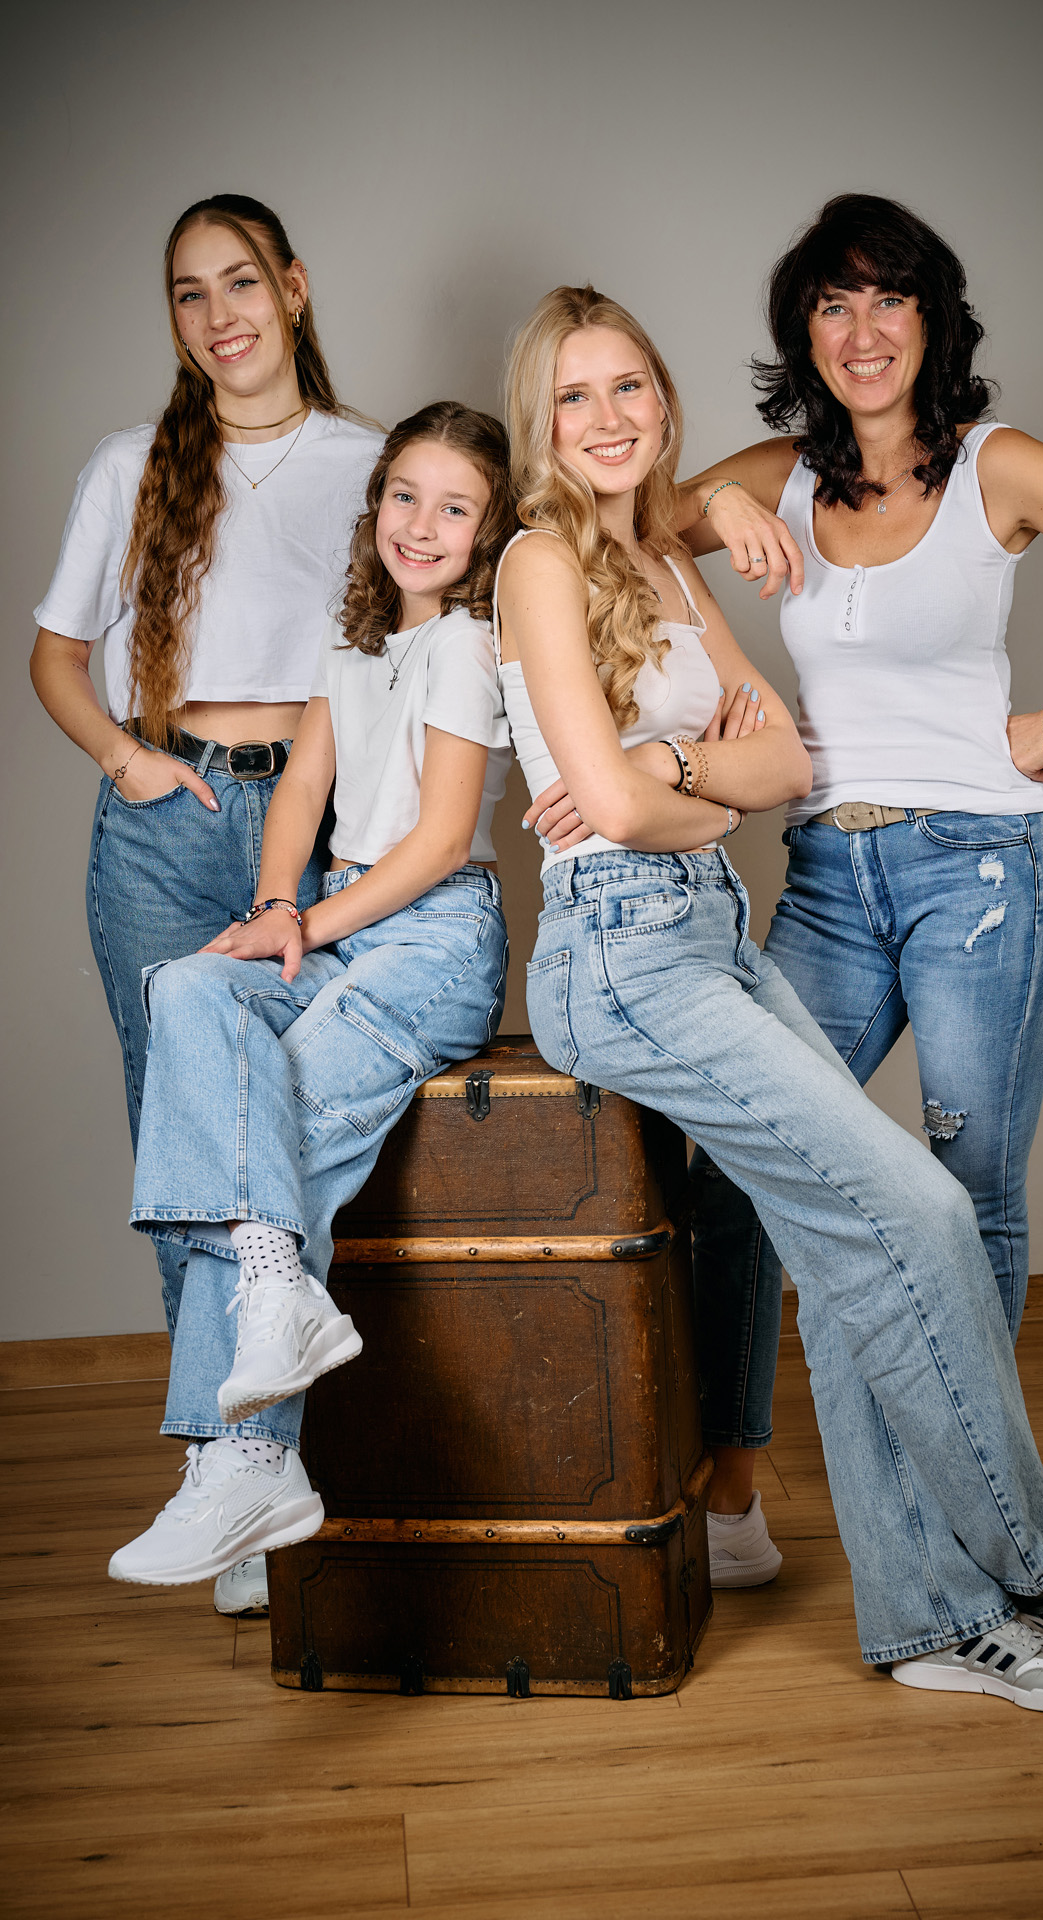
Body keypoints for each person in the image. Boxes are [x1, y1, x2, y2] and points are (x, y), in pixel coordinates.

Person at [493, 283, 1043, 1714]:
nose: (607, 417)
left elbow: (786, 764)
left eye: (629, 387)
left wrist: (671, 775)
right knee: (917, 1213)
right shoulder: (538, 560)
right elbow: (611, 808)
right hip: (619, 960)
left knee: (859, 1255)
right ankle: (1026, 1574)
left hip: (710, 932)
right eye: (574, 396)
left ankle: (924, 1618)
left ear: (665, 401)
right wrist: (685, 780)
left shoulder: (665, 570)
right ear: (540, 422)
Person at [673, 194, 1043, 1559]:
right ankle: (731, 1502)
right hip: (826, 874)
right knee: (741, 1171)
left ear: (932, 320)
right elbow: (603, 519)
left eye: (890, 298)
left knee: (968, 1190)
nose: (863, 330)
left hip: (979, 873)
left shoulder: (997, 467)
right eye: (833, 303)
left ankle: (961, 1519)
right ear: (803, 332)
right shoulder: (780, 476)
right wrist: (711, 503)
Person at [30, 191, 383, 1616]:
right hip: (164, 826)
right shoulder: (131, 466)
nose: (220, 314)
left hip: (321, 816)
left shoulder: (370, 462)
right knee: (185, 1146)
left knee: (302, 1130)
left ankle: (271, 1459)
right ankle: (226, 1491)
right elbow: (57, 658)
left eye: (241, 282)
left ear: (293, 288)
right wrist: (127, 761)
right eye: (190, 293)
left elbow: (411, 656)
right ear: (175, 320)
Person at [105, 404, 514, 1593]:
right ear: (374, 503)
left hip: (429, 940)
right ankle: (275, 1298)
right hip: (336, 912)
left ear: (487, 533)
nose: (421, 524)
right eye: (404, 495)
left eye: (454, 507)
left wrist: (302, 930)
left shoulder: (467, 645)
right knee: (188, 986)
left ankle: (240, 1456)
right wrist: (279, 901)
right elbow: (299, 795)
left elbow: (439, 841)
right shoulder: (355, 648)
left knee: (258, 1127)